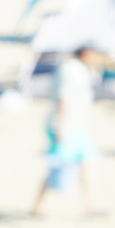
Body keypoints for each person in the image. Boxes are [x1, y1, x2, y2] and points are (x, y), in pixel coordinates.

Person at [32, 45, 105, 216]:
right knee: (60, 166)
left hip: (76, 126)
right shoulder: (71, 71)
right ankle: (38, 206)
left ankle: (93, 205)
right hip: (66, 126)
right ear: (86, 53)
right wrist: (61, 129)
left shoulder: (79, 69)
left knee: (87, 163)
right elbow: (64, 100)